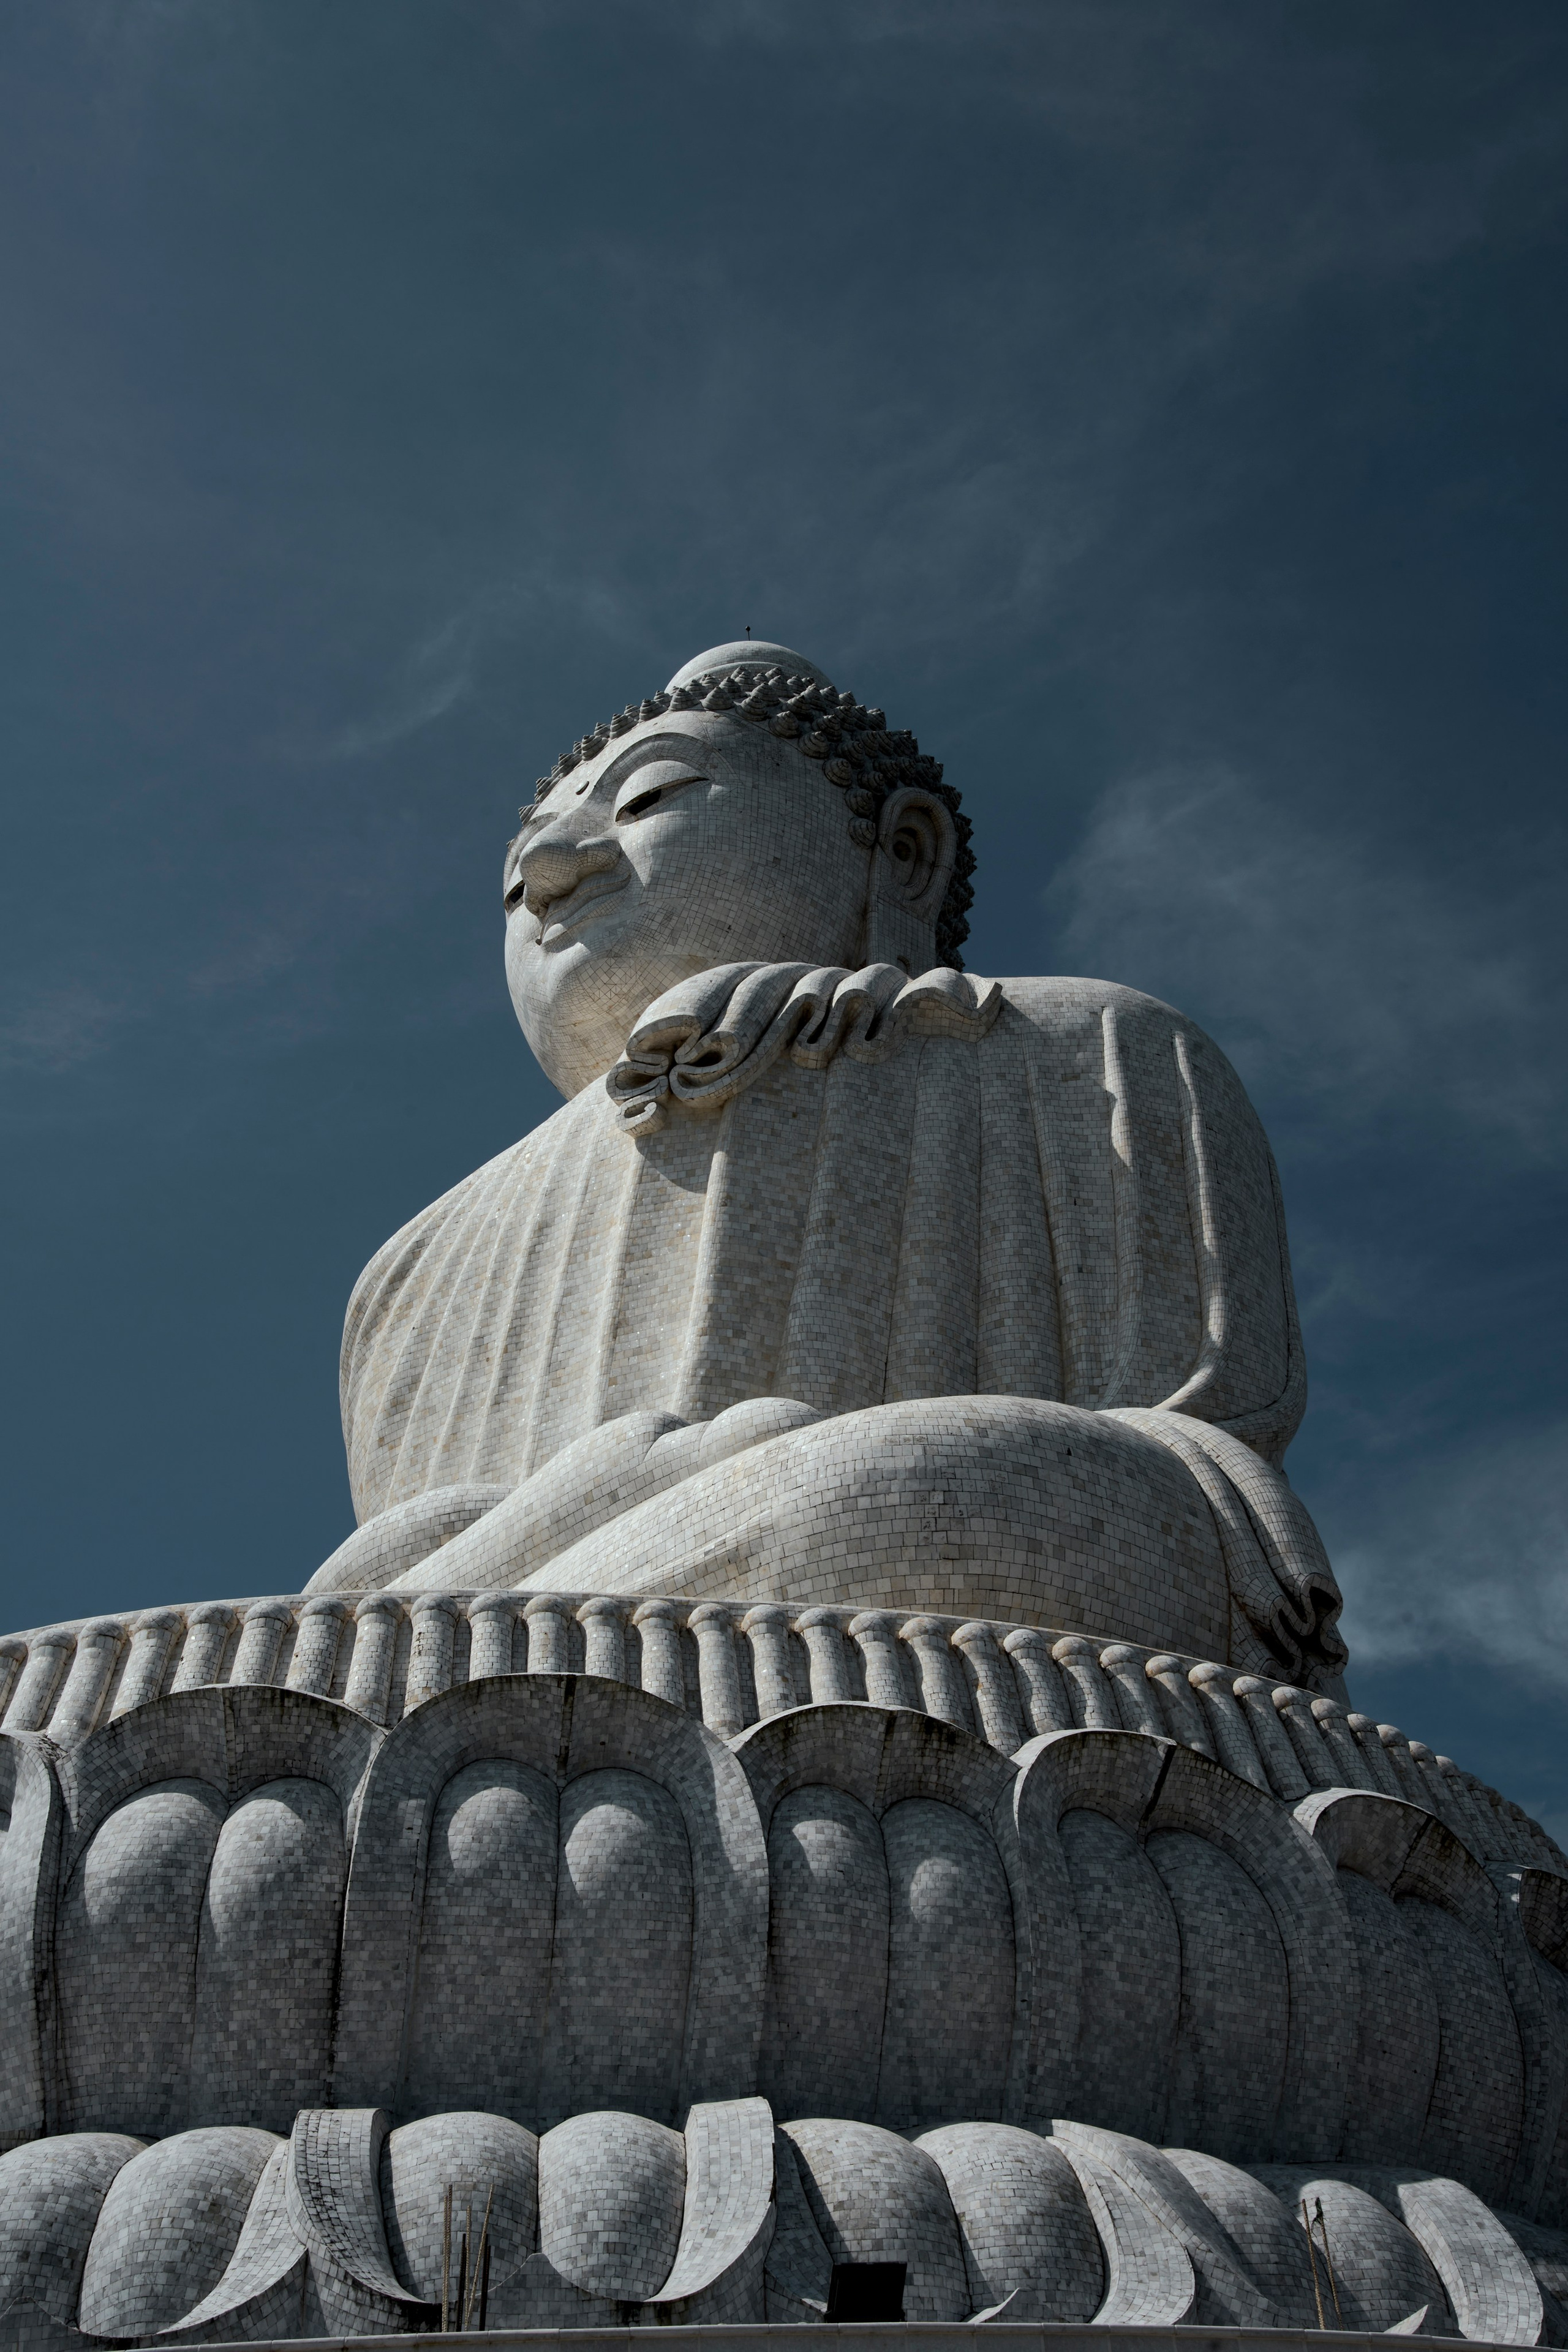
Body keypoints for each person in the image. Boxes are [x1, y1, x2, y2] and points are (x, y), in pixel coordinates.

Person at [311, 641, 1343, 1686]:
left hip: (947, 1600)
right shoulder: (406, 1272)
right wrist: (606, 1490)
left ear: (902, 855)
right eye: (512, 873)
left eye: (647, 797)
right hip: (595, 1615)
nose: (548, 873)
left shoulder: (1086, 1045)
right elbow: (394, 1564)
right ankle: (508, 1660)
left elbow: (1207, 1433)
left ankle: (487, 1667)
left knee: (943, 1489)